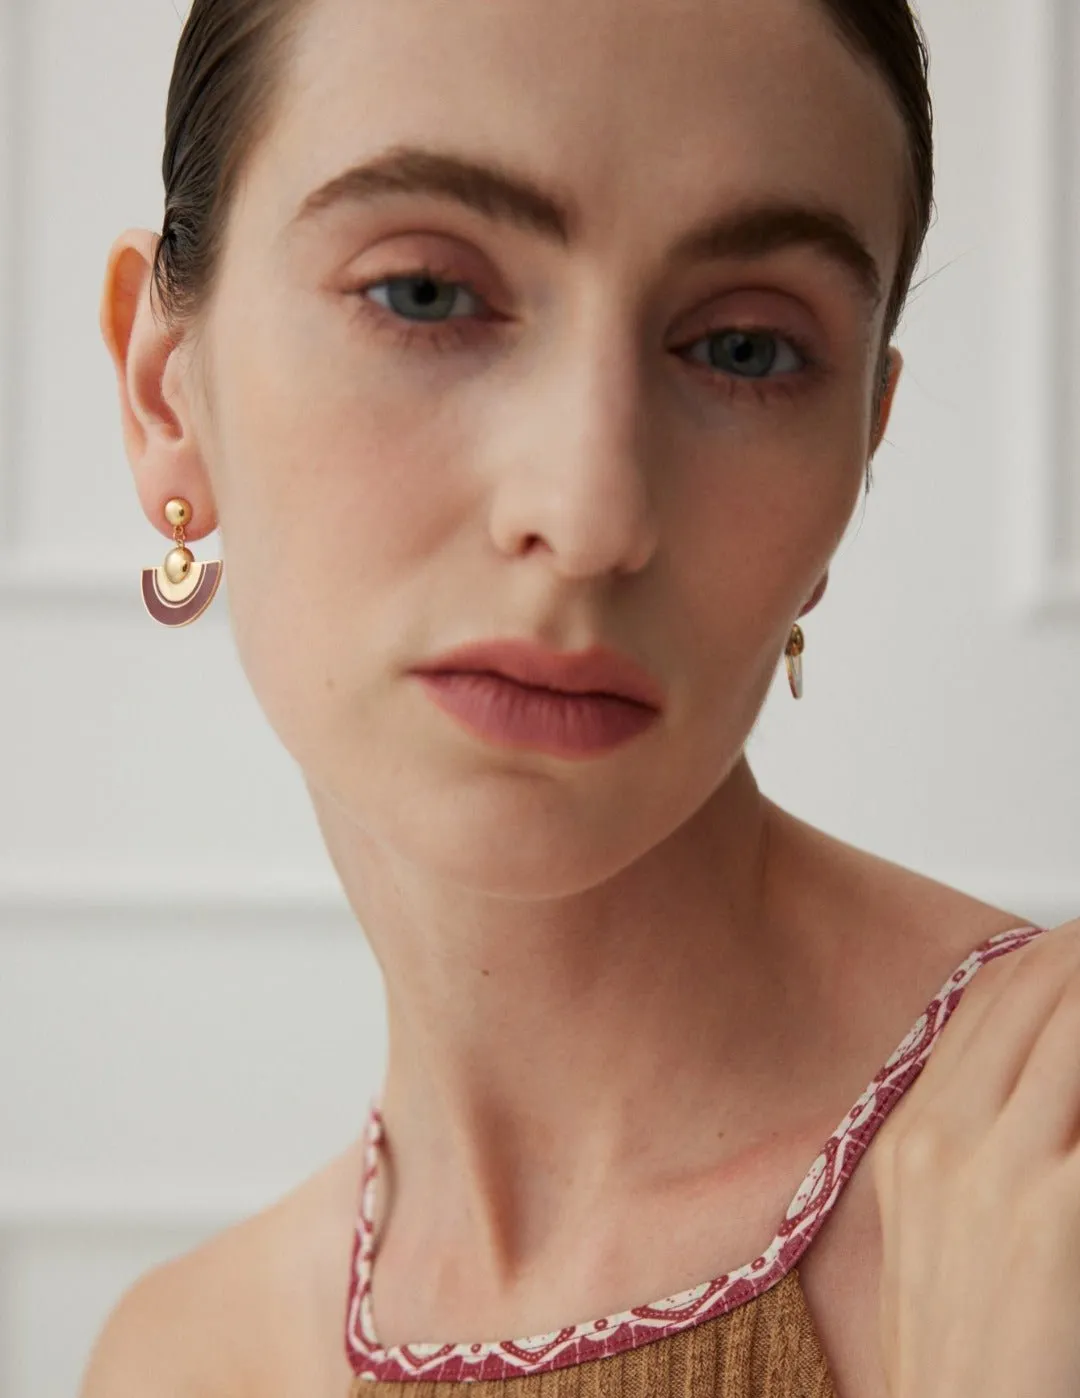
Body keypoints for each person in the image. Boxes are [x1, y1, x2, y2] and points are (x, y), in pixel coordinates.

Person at [84, 1, 1070, 1395]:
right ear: (164, 396)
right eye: (426, 293)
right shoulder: (177, 1359)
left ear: (862, 450)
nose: (593, 508)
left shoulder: (1054, 1156)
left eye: (744, 348)